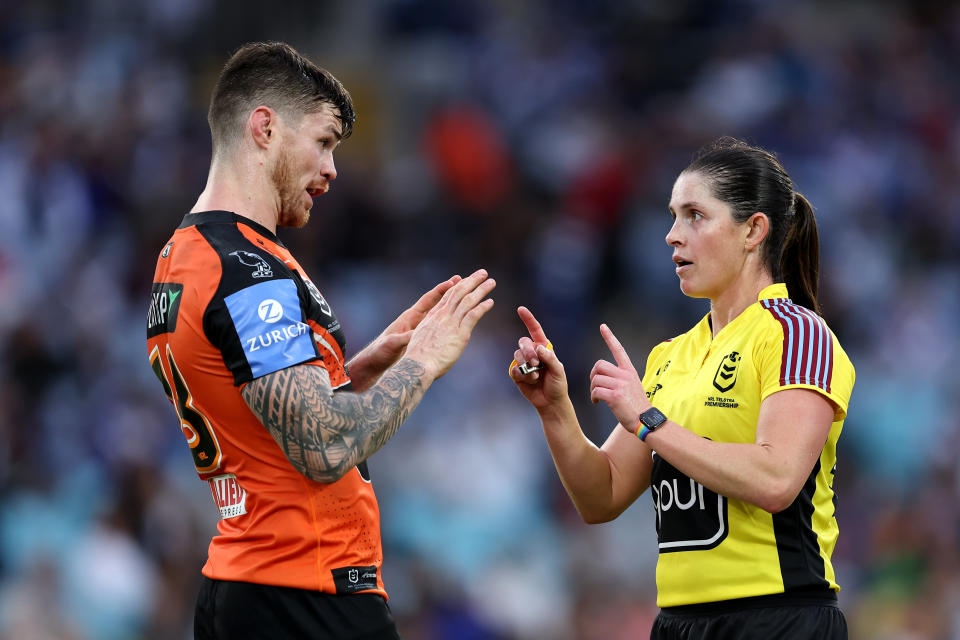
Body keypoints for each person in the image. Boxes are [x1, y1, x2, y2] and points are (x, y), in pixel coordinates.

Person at [146, 41, 495, 640]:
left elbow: (260, 418)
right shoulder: (247, 271)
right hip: (304, 593)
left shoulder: (184, 257)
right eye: (324, 142)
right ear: (265, 128)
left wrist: (366, 367)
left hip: (251, 581)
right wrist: (424, 362)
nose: (333, 168)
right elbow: (325, 449)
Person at [510, 138, 854, 639]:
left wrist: (650, 422)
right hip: (678, 623)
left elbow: (777, 480)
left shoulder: (796, 333)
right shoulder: (670, 355)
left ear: (753, 230)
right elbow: (600, 496)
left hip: (779, 617)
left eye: (695, 215)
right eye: (672, 216)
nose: (672, 235)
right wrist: (555, 409)